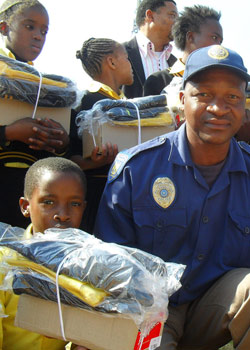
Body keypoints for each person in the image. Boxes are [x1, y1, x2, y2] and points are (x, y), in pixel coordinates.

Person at [95, 45, 250, 350]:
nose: (219, 108)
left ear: (245, 106)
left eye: (232, 97)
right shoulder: (135, 170)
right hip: (148, 312)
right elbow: (109, 266)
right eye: (204, 95)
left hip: (217, 309)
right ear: (181, 101)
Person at [0, 157, 87, 350]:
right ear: (25, 206)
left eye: (74, 204)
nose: (62, 214)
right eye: (48, 202)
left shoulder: (90, 267)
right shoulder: (4, 264)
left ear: (84, 208)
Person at [0, 0, 69, 228]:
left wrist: (59, 141)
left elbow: (57, 152)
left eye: (44, 31)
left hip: (27, 194)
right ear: (3, 28)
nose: (38, 36)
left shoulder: (46, 86)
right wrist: (10, 132)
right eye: (30, 27)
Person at [70, 37, 133, 233]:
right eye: (127, 58)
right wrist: (96, 162)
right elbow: (70, 160)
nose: (131, 65)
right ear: (112, 62)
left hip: (127, 195)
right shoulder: (85, 102)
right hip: (97, 198)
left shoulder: (132, 106)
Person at [143, 5, 223, 96]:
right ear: (190, 37)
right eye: (214, 38)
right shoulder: (158, 81)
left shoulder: (223, 80)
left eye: (220, 41)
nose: (218, 46)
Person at [122, 0, 178, 99]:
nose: (178, 23)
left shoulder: (177, 64)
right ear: (150, 16)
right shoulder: (121, 55)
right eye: (172, 15)